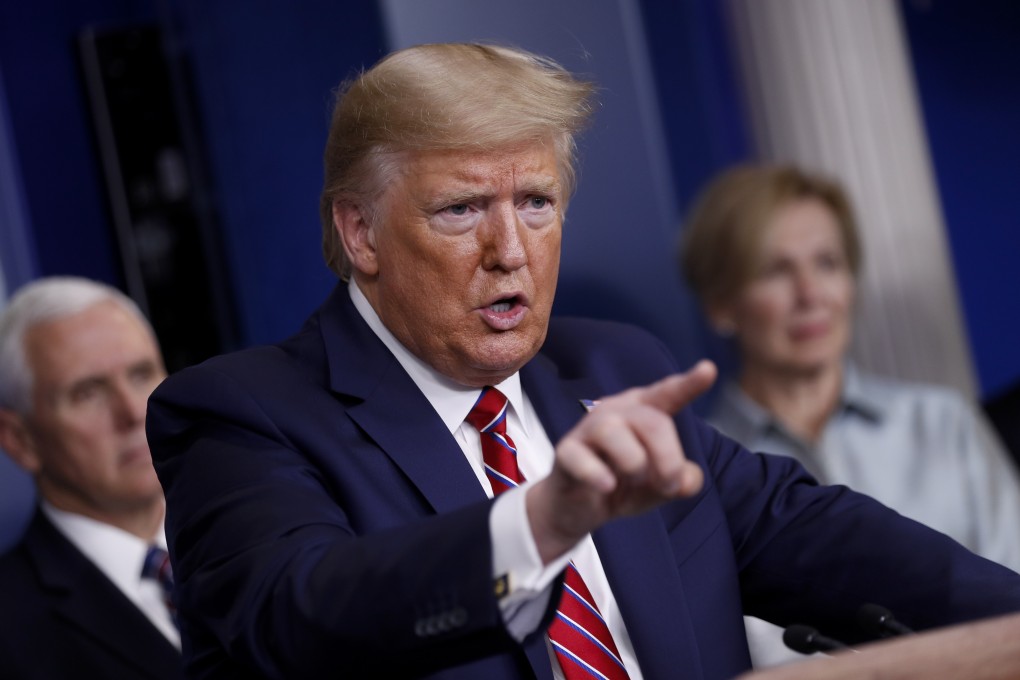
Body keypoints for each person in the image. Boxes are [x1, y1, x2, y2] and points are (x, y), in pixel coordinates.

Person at [146, 43, 1020, 680]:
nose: (510, 250)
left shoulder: (611, 364)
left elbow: (805, 531)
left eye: (536, 202)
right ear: (360, 232)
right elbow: (304, 620)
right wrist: (541, 522)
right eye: (460, 210)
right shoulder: (238, 414)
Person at [679, 162, 1020, 667]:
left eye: (828, 264)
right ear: (721, 304)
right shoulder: (697, 476)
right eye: (776, 270)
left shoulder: (944, 422)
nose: (810, 295)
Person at [0, 276, 184, 679]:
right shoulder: (9, 630)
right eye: (87, 393)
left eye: (141, 375)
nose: (134, 412)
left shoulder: (273, 531)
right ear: (20, 440)